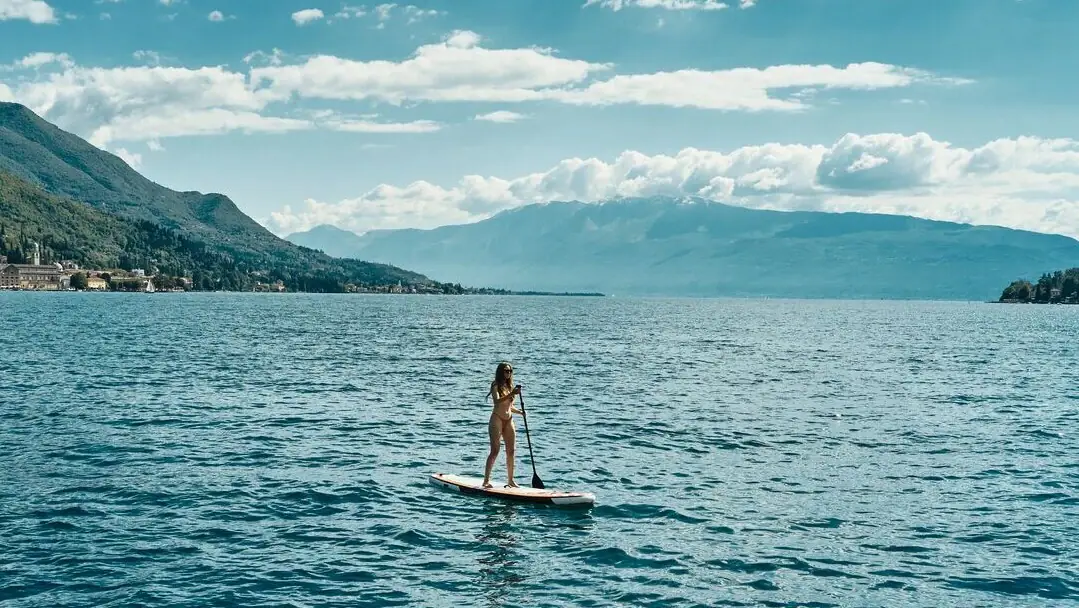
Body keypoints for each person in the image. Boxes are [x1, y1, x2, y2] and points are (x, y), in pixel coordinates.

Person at [483, 362, 523, 488]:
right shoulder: (495, 385)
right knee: (495, 450)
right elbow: (497, 401)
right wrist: (512, 394)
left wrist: (520, 412)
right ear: (501, 372)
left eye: (510, 371)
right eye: (506, 371)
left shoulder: (509, 385)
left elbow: (509, 406)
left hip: (509, 419)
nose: (508, 373)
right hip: (497, 419)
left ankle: (510, 480)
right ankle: (486, 481)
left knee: (511, 451)